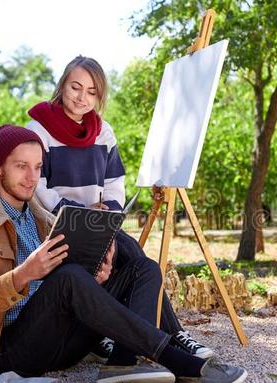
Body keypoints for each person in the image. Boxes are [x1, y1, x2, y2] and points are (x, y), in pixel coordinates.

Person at [0, 125, 247, 383]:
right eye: (21, 166)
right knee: (70, 279)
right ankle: (178, 361)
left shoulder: (44, 220)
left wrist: (98, 280)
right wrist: (24, 274)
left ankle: (124, 360)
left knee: (143, 267)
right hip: (10, 350)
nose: (31, 177)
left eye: (37, 167)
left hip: (63, 343)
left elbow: (65, 289)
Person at [26, 55, 212, 360]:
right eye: (75, 87)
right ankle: (168, 334)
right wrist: (80, 212)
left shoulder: (103, 132)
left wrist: (108, 211)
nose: (82, 97)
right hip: (53, 224)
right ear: (62, 85)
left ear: (100, 96)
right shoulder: (38, 130)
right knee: (130, 252)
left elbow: (114, 182)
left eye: (92, 92)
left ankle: (159, 334)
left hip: (96, 223)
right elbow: (37, 186)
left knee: (131, 255)